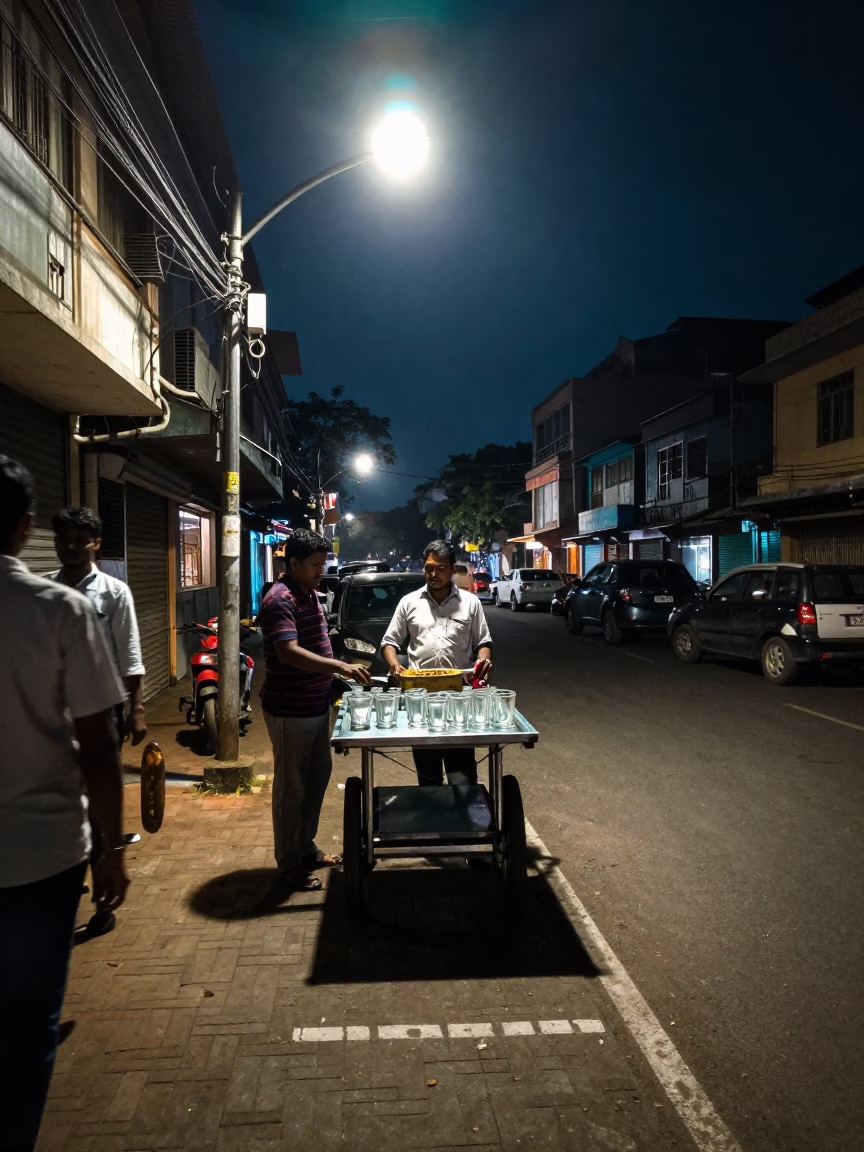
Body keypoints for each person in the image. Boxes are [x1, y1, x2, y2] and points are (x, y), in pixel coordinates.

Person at [0, 457, 129, 1151]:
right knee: (24, 1028)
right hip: (42, 855)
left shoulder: (84, 602)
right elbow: (97, 747)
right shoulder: (57, 611)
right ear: (26, 529)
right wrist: (111, 849)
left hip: (43, 855)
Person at [49, 506, 146, 937]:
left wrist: (136, 708)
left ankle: (101, 897)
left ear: (96, 544)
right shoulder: (45, 592)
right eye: (64, 538)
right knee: (68, 808)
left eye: (79, 539)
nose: (71, 546)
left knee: (99, 804)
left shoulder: (113, 592)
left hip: (102, 711)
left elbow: (130, 654)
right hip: (55, 716)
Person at [257, 528, 370, 891]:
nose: (321, 570)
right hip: (290, 709)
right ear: (293, 563)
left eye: (323, 564)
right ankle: (289, 865)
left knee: (317, 779)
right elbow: (288, 652)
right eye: (315, 565)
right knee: (291, 789)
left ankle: (305, 848)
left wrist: (333, 678)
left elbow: (318, 644)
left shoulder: (309, 593)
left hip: (317, 704)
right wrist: (339, 667)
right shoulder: (280, 599)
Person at [381, 539, 493, 787]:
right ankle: (433, 818)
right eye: (429, 567)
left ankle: (463, 821)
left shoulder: (470, 603)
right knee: (428, 774)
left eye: (441, 568)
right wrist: (393, 664)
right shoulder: (409, 602)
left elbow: (483, 642)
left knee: (462, 774)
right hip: (420, 698)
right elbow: (389, 642)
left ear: (453, 570)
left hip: (459, 698)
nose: (434, 573)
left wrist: (483, 662)